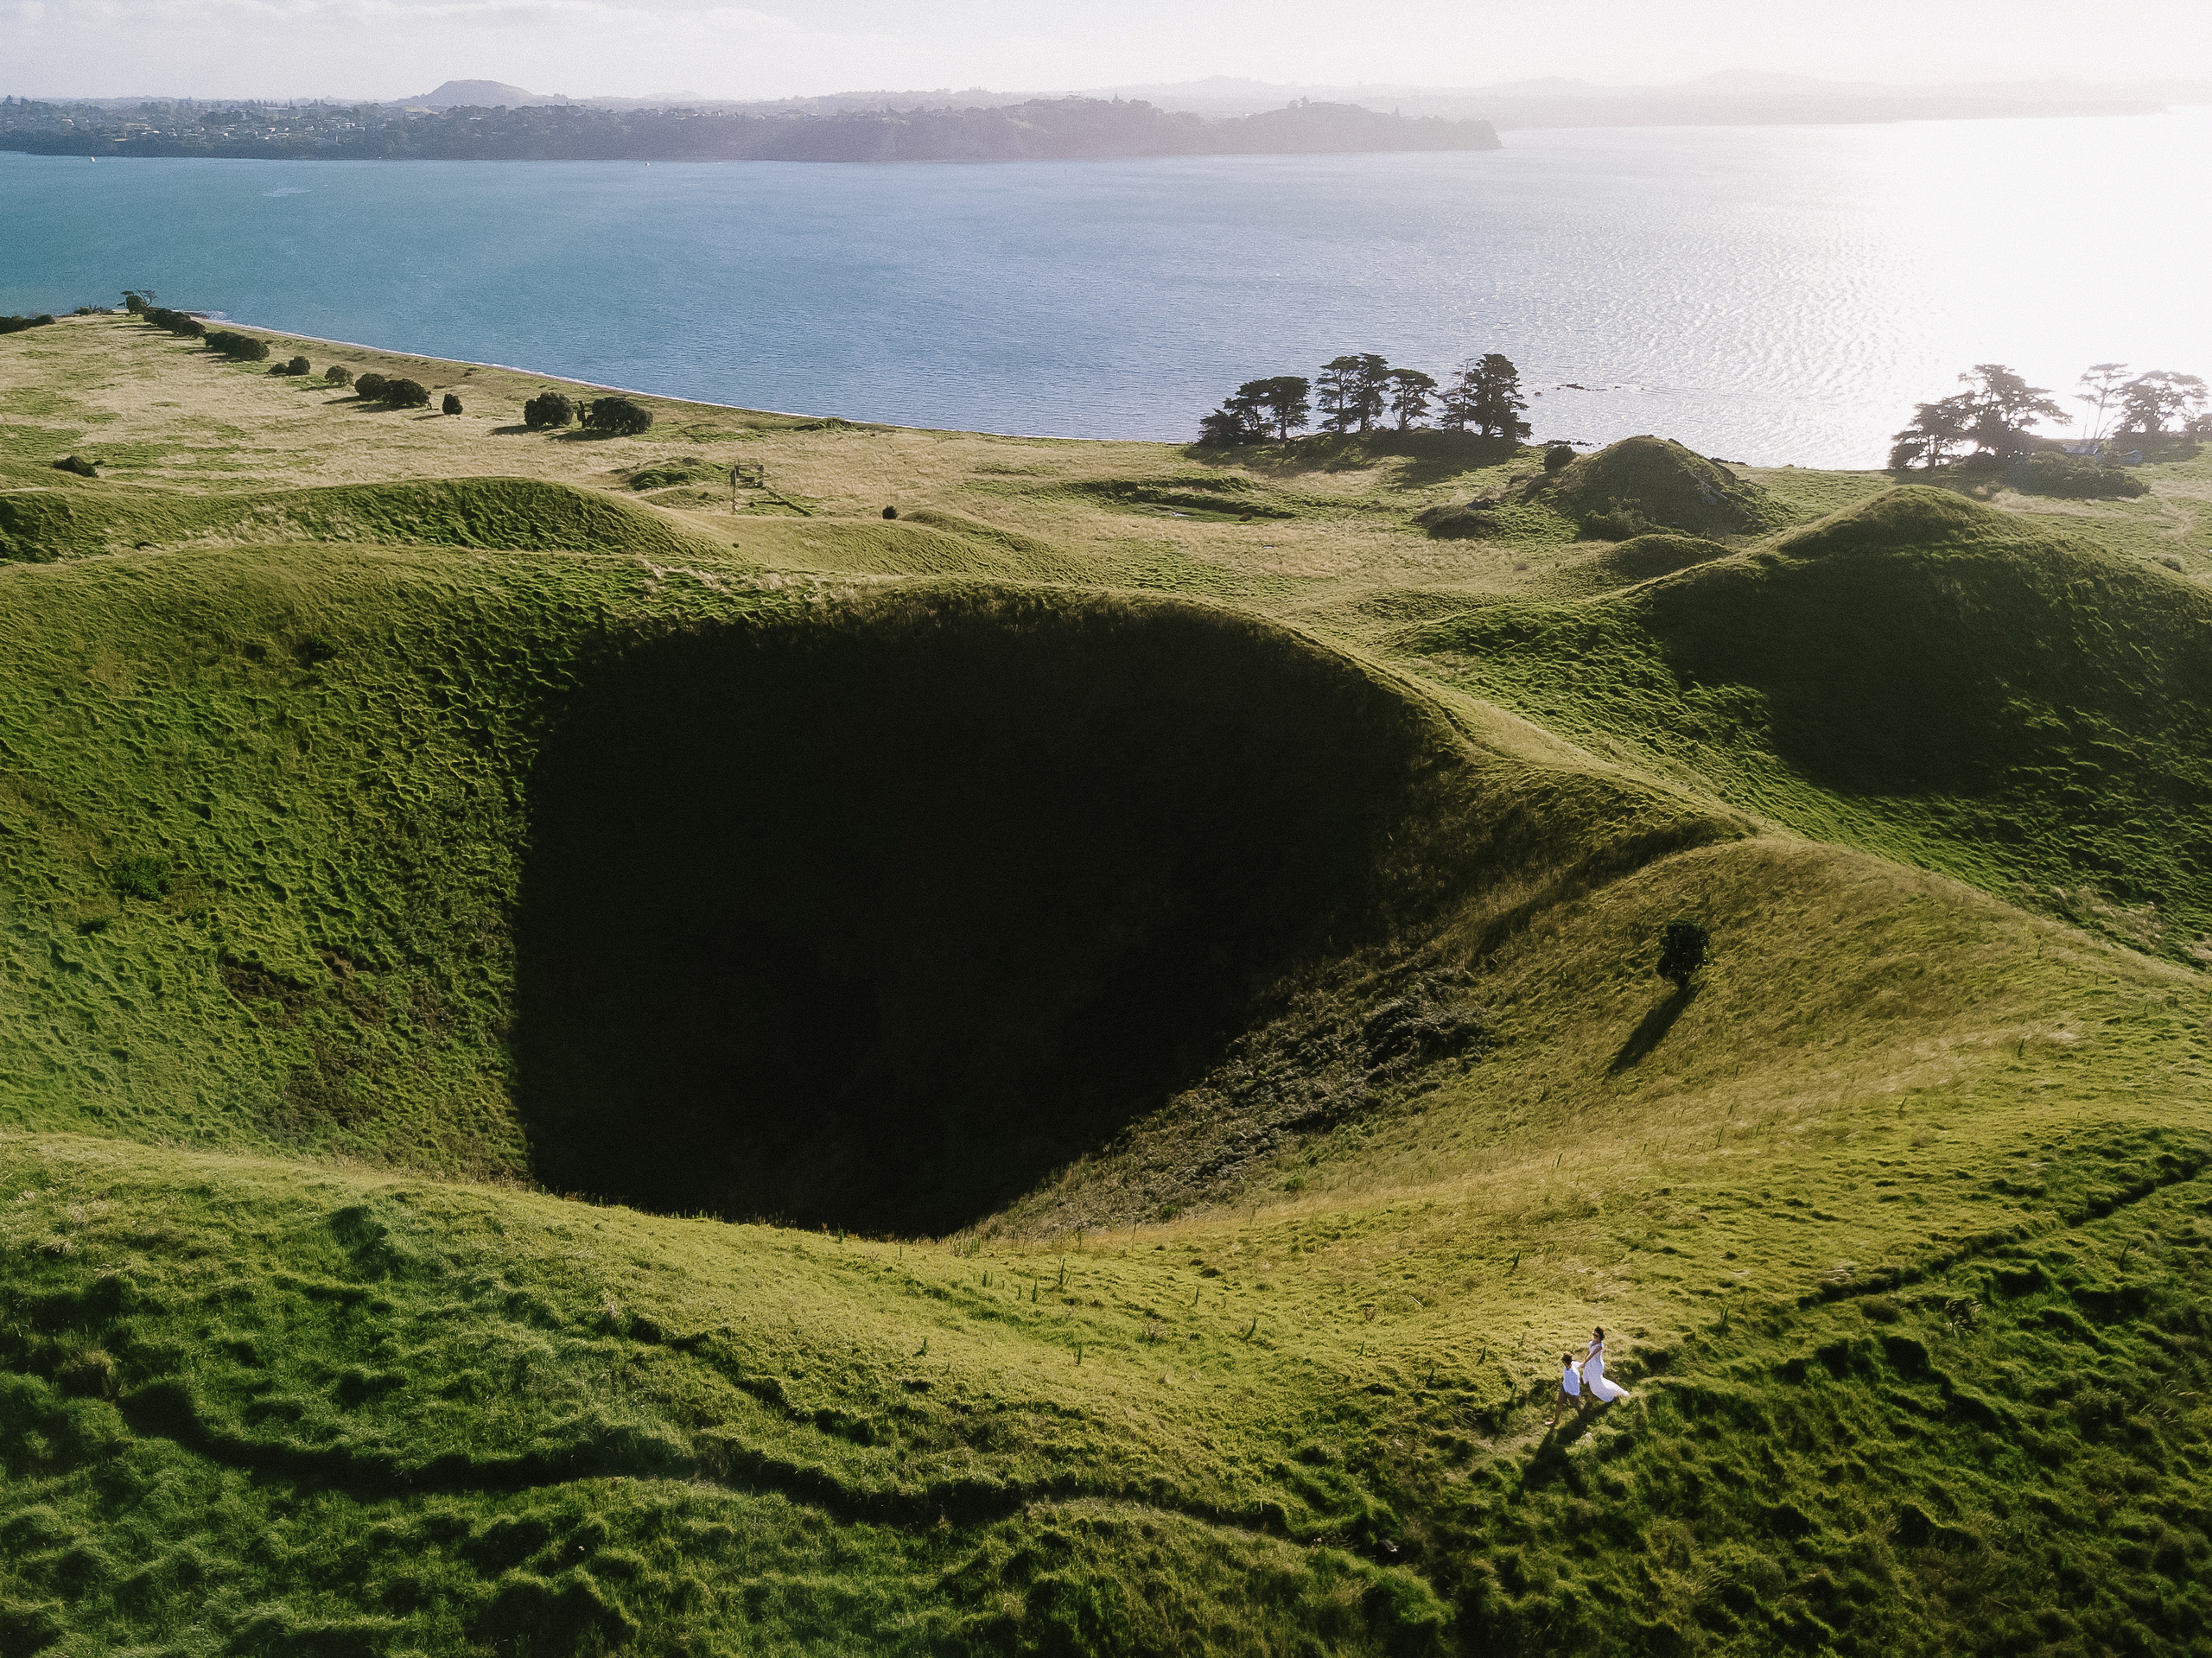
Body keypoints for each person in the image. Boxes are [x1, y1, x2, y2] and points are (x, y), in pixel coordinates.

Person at [1583, 1326, 1631, 1404]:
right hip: (1591, 1364)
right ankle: (1591, 1397)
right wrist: (1585, 1361)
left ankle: (1613, 1393)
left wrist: (1584, 1363)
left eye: (1596, 1335)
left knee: (1598, 1382)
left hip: (1596, 1366)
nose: (1594, 1337)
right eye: (1593, 1334)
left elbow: (1591, 1355)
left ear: (1600, 1336)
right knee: (1594, 1382)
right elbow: (1589, 1352)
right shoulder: (1593, 1341)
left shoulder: (1600, 1346)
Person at [1548, 1350, 1586, 1426]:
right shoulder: (1572, 1364)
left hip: (1571, 1392)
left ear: (1565, 1362)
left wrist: (1574, 1396)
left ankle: (1583, 1419)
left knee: (1577, 1406)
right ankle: (1555, 1421)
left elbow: (1576, 1387)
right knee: (1559, 1403)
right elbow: (1579, 1364)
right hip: (1564, 1387)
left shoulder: (1574, 1374)